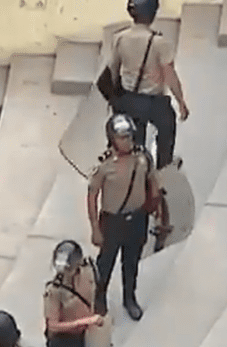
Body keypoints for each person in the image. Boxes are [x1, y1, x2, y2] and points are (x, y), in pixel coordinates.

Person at [87, 114, 163, 321]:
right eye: (122, 138)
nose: (127, 141)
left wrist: (154, 204)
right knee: (105, 263)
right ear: (112, 139)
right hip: (113, 220)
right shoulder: (104, 165)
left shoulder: (142, 157)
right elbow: (92, 194)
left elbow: (153, 181)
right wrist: (95, 227)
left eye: (130, 137)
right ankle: (99, 298)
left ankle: (130, 298)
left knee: (131, 263)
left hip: (137, 218)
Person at [108, 0, 189, 170]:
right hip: (154, 102)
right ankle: (164, 166)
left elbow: (114, 70)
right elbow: (169, 76)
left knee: (136, 139)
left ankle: (135, 168)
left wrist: (115, 97)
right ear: (153, 13)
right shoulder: (159, 43)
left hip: (129, 99)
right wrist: (181, 102)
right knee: (167, 128)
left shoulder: (119, 38)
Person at [43, 240, 103, 347]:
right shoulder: (54, 291)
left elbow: (95, 290)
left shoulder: (89, 269)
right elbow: (53, 325)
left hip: (89, 329)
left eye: (67, 268)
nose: (63, 272)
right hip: (68, 338)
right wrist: (85, 321)